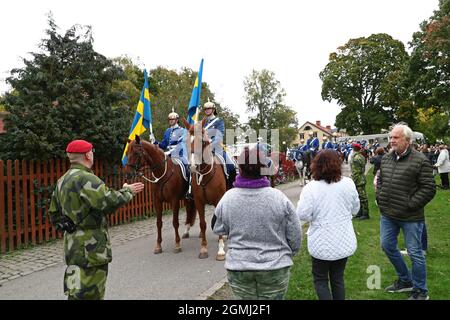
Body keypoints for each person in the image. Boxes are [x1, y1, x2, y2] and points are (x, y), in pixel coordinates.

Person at [48, 140, 144, 300]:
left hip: (72, 249)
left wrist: (71, 226)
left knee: (74, 294)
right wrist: (127, 191)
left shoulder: (62, 181)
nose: (92, 155)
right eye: (91, 152)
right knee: (92, 295)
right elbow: (107, 201)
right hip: (91, 252)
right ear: (87, 155)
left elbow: (53, 214)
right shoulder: (86, 178)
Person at [212, 145, 301, 300]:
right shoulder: (279, 198)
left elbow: (218, 227)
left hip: (239, 268)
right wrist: (287, 254)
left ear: (240, 168)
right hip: (275, 267)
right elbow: (295, 233)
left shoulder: (228, 198)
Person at [377, 123, 436, 300]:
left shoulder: (420, 160)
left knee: (415, 253)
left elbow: (429, 188)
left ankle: (420, 291)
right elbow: (380, 181)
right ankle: (405, 280)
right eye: (391, 137)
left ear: (407, 140)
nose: (392, 141)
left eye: (396, 137)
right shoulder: (387, 158)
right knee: (387, 246)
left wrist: (410, 204)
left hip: (411, 217)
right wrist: (380, 197)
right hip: (388, 214)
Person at [296, 150, 360, 300]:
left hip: (321, 240)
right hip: (342, 238)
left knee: (321, 279)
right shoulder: (348, 184)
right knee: (337, 278)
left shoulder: (311, 188)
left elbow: (303, 214)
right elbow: (355, 209)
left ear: (315, 165)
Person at [155, 110, 191, 198]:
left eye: (173, 119)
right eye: (169, 119)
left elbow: (181, 144)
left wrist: (170, 152)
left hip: (180, 155)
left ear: (177, 120)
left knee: (187, 167)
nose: (171, 120)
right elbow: (163, 144)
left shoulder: (182, 130)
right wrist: (155, 143)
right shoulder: (167, 131)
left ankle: (189, 189)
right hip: (168, 154)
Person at [202, 100, 237, 188]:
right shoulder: (203, 122)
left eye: (209, 108)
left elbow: (219, 136)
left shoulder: (219, 121)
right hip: (203, 149)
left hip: (217, 148)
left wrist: (211, 145)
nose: (207, 110)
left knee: (231, 166)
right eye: (205, 109)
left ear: (213, 110)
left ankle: (230, 186)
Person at [351, 142, 369, 220]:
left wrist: (353, 180)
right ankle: (360, 212)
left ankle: (365, 214)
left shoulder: (356, 157)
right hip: (360, 178)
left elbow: (356, 171)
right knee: (359, 197)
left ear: (354, 149)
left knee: (362, 197)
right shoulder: (360, 156)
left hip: (358, 179)